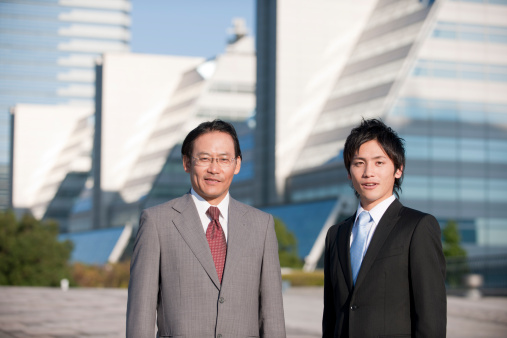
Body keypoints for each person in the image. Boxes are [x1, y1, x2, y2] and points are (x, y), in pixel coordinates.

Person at [126, 120, 286, 338]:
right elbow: (141, 313)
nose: (214, 168)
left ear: (237, 164)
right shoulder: (157, 222)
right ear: (186, 163)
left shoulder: (262, 225)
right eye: (204, 159)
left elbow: (272, 314)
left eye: (223, 159)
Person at [322, 119, 446, 338]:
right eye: (359, 163)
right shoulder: (336, 234)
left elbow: (430, 317)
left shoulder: (418, 227)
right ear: (349, 172)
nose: (369, 172)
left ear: (398, 169)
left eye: (379, 162)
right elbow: (330, 316)